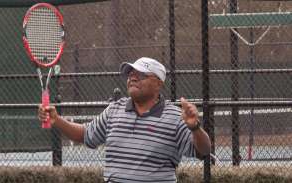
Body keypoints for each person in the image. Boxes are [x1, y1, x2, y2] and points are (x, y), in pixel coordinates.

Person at [38, 57, 211, 183]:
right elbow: (85, 134)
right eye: (130, 74)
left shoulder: (175, 117)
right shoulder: (114, 109)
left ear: (158, 83)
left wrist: (195, 127)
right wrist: (57, 119)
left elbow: (203, 151)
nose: (133, 78)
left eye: (141, 75)